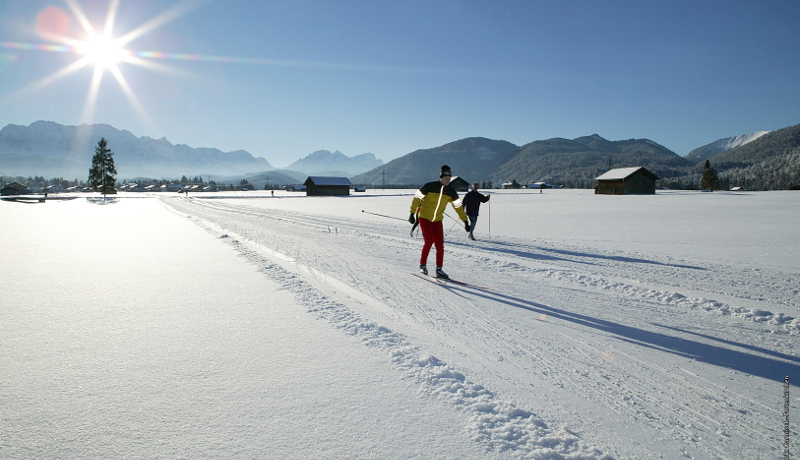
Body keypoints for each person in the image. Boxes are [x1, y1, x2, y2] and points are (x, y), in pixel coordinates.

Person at [409, 165, 469, 279]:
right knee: (429, 241)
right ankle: (423, 265)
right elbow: (416, 198)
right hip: (425, 218)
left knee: (440, 245)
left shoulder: (450, 191)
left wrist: (465, 221)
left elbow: (458, 206)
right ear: (441, 178)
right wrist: (412, 213)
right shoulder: (429, 186)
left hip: (437, 221)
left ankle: (439, 270)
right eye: (446, 178)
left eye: (449, 179)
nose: (448, 180)